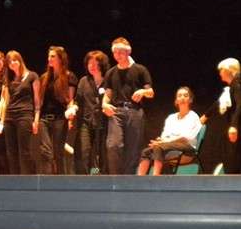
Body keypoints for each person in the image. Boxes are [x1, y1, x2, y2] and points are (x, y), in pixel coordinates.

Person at [102, 37, 154, 174]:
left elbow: (151, 92)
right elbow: (107, 95)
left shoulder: (140, 69)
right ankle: (115, 178)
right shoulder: (111, 73)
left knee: (133, 149)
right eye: (115, 52)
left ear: (128, 51)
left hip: (134, 111)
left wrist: (143, 92)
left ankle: (128, 179)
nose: (118, 55)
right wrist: (104, 105)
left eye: (121, 51)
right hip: (116, 111)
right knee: (113, 145)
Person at [0, 50, 41, 174]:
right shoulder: (8, 79)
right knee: (11, 153)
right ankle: (15, 180)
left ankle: (32, 179)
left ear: (20, 61)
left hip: (25, 115)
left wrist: (36, 119)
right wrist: (0, 120)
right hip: (10, 116)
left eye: (14, 60)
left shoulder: (32, 76)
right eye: (9, 62)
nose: (12, 63)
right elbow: (4, 101)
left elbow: (37, 99)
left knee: (25, 152)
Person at [137, 86, 202, 175]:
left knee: (160, 149)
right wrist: (161, 141)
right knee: (146, 152)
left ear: (190, 100)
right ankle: (140, 180)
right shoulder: (171, 118)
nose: (182, 98)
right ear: (176, 100)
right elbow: (165, 135)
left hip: (188, 148)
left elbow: (185, 138)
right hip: (170, 145)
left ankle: (155, 178)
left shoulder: (193, 116)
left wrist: (165, 142)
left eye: (185, 95)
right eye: (179, 96)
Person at [201, 57, 241, 173]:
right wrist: (205, 116)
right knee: (229, 159)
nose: (220, 73)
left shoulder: (237, 84)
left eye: (221, 70)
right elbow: (218, 103)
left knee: (234, 160)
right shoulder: (231, 87)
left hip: (237, 128)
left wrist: (234, 125)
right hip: (232, 128)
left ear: (229, 70)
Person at [67, 50, 110, 174]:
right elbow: (78, 101)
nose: (92, 66)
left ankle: (104, 180)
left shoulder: (109, 81)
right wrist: (73, 108)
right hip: (86, 122)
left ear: (102, 64)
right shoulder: (84, 81)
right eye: (89, 63)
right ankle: (81, 182)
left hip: (104, 123)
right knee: (82, 153)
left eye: (95, 63)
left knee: (104, 155)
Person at [38, 46, 78, 174]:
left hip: (59, 119)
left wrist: (70, 119)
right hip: (44, 118)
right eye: (49, 56)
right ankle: (45, 180)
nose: (49, 59)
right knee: (45, 152)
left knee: (58, 153)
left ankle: (61, 180)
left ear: (60, 59)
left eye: (53, 56)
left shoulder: (69, 76)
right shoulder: (44, 77)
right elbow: (40, 100)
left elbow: (70, 100)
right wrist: (36, 118)